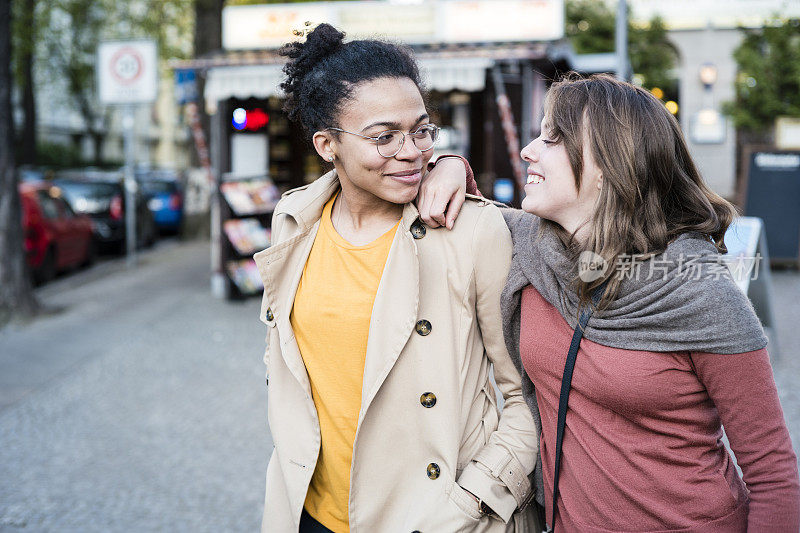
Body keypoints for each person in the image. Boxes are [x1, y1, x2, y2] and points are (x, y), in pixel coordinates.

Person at [420, 73, 800, 532]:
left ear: (608, 165)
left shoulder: (700, 293)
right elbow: (466, 205)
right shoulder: (531, 248)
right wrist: (448, 163)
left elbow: (773, 474)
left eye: (553, 138)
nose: (527, 150)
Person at [254, 23, 540, 533]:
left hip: (434, 518)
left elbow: (525, 393)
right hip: (309, 511)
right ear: (327, 145)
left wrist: (474, 501)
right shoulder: (293, 221)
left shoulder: (468, 230)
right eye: (384, 137)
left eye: (422, 130)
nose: (411, 151)